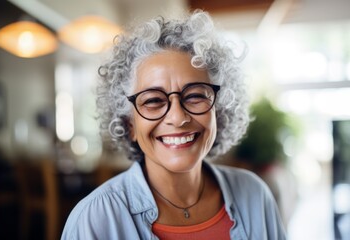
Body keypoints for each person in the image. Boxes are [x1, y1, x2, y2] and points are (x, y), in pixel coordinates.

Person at [61, 10, 286, 240]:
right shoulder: (94, 220)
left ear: (218, 111)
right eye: (153, 101)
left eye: (195, 96)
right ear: (129, 124)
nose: (178, 118)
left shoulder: (255, 195)